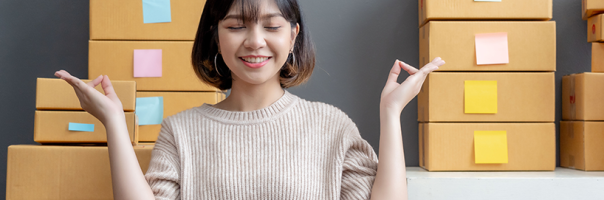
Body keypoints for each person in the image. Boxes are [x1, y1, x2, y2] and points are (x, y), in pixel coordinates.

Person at [54, 0, 444, 199]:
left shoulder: (332, 126)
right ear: (216, 36)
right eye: (236, 25)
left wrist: (391, 113)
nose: (255, 40)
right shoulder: (181, 130)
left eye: (271, 26)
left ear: (293, 36)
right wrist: (114, 124)